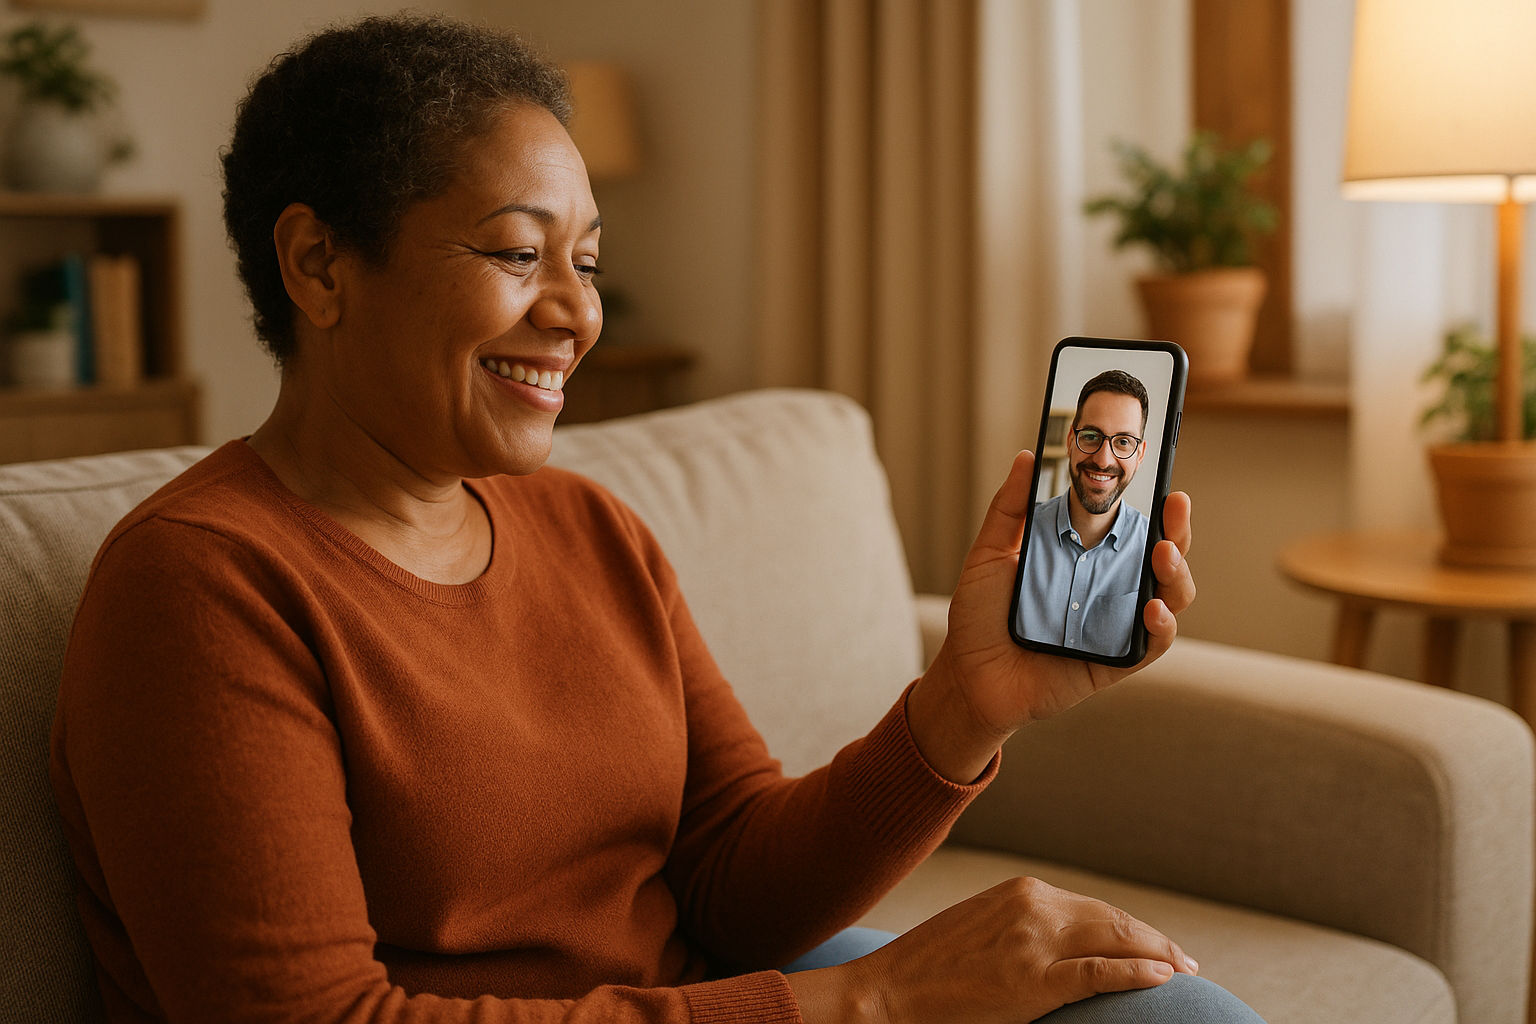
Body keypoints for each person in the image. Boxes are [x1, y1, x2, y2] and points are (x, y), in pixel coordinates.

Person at [48, 15, 1262, 1024]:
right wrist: (872, 1002)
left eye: (586, 259)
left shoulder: (589, 529)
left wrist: (964, 701)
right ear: (318, 264)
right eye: (520, 253)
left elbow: (731, 882)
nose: (577, 313)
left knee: (1168, 1009)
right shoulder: (201, 588)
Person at [1020, 371, 1153, 658]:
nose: (1103, 460)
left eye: (1123, 442)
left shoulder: (1153, 549)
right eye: (1091, 436)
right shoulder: (1018, 533)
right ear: (1070, 440)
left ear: (1140, 455)